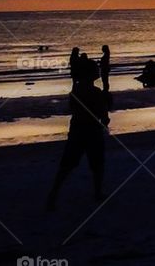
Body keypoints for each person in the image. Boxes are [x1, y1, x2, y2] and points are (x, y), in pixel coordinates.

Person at [46, 56, 110, 210]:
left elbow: (73, 109)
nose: (99, 72)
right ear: (91, 74)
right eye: (96, 70)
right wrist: (105, 118)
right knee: (97, 163)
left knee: (67, 164)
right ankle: (97, 192)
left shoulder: (75, 92)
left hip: (77, 129)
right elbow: (103, 114)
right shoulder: (96, 92)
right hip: (92, 130)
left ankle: (54, 193)